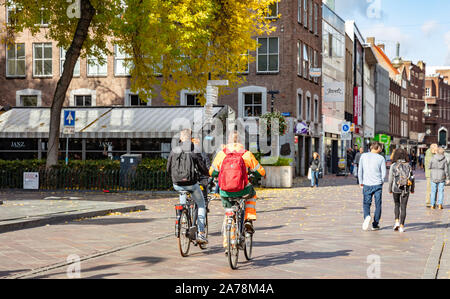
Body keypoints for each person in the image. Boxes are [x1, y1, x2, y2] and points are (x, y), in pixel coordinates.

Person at [209, 130, 265, 248]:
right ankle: (249, 218)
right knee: (252, 193)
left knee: (228, 212)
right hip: (242, 189)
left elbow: (212, 172)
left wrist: (219, 174)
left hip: (225, 190)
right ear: (240, 141)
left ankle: (227, 243)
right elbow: (261, 171)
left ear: (228, 141)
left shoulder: (222, 154)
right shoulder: (246, 154)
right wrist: (253, 174)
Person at [167, 129, 210, 244]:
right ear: (190, 137)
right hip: (191, 184)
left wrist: (173, 179)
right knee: (201, 205)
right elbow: (201, 167)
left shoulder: (174, 150)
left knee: (182, 197)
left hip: (177, 184)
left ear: (181, 138)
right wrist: (208, 174)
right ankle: (201, 234)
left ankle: (182, 217)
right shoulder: (194, 149)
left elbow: (168, 167)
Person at [358, 141, 387, 231]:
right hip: (377, 184)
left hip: (366, 183)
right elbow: (384, 173)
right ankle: (375, 224)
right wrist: (381, 181)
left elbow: (360, 171)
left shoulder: (363, 156)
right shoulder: (381, 158)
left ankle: (367, 216)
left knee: (366, 203)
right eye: (380, 147)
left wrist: (361, 182)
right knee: (378, 204)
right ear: (377, 148)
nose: (381, 149)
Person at [388, 148, 415, 233]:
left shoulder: (393, 165)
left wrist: (390, 189)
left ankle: (396, 222)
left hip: (396, 188)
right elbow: (412, 178)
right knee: (403, 207)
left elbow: (390, 179)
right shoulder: (408, 165)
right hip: (406, 188)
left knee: (396, 205)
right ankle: (402, 226)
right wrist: (412, 189)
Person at [425, 144, 438, 208]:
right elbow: (431, 163)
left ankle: (434, 201)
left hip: (435, 173)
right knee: (429, 189)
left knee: (435, 188)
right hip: (429, 174)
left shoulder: (433, 154)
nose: (436, 151)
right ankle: (428, 202)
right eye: (436, 150)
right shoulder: (428, 153)